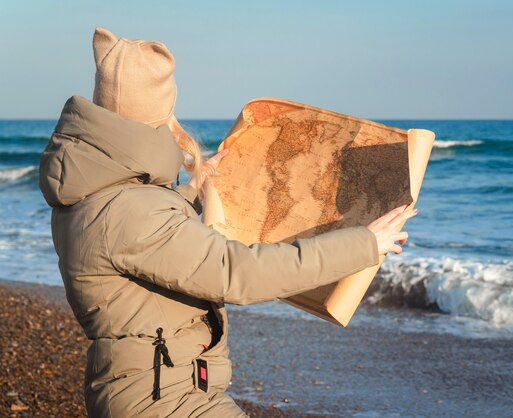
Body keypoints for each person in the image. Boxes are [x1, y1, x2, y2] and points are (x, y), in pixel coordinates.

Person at [39, 27, 416, 417]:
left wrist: (193, 189)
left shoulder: (90, 189)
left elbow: (144, 232)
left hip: (152, 384)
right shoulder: (133, 213)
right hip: (161, 398)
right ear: (160, 114)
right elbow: (239, 272)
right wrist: (364, 244)